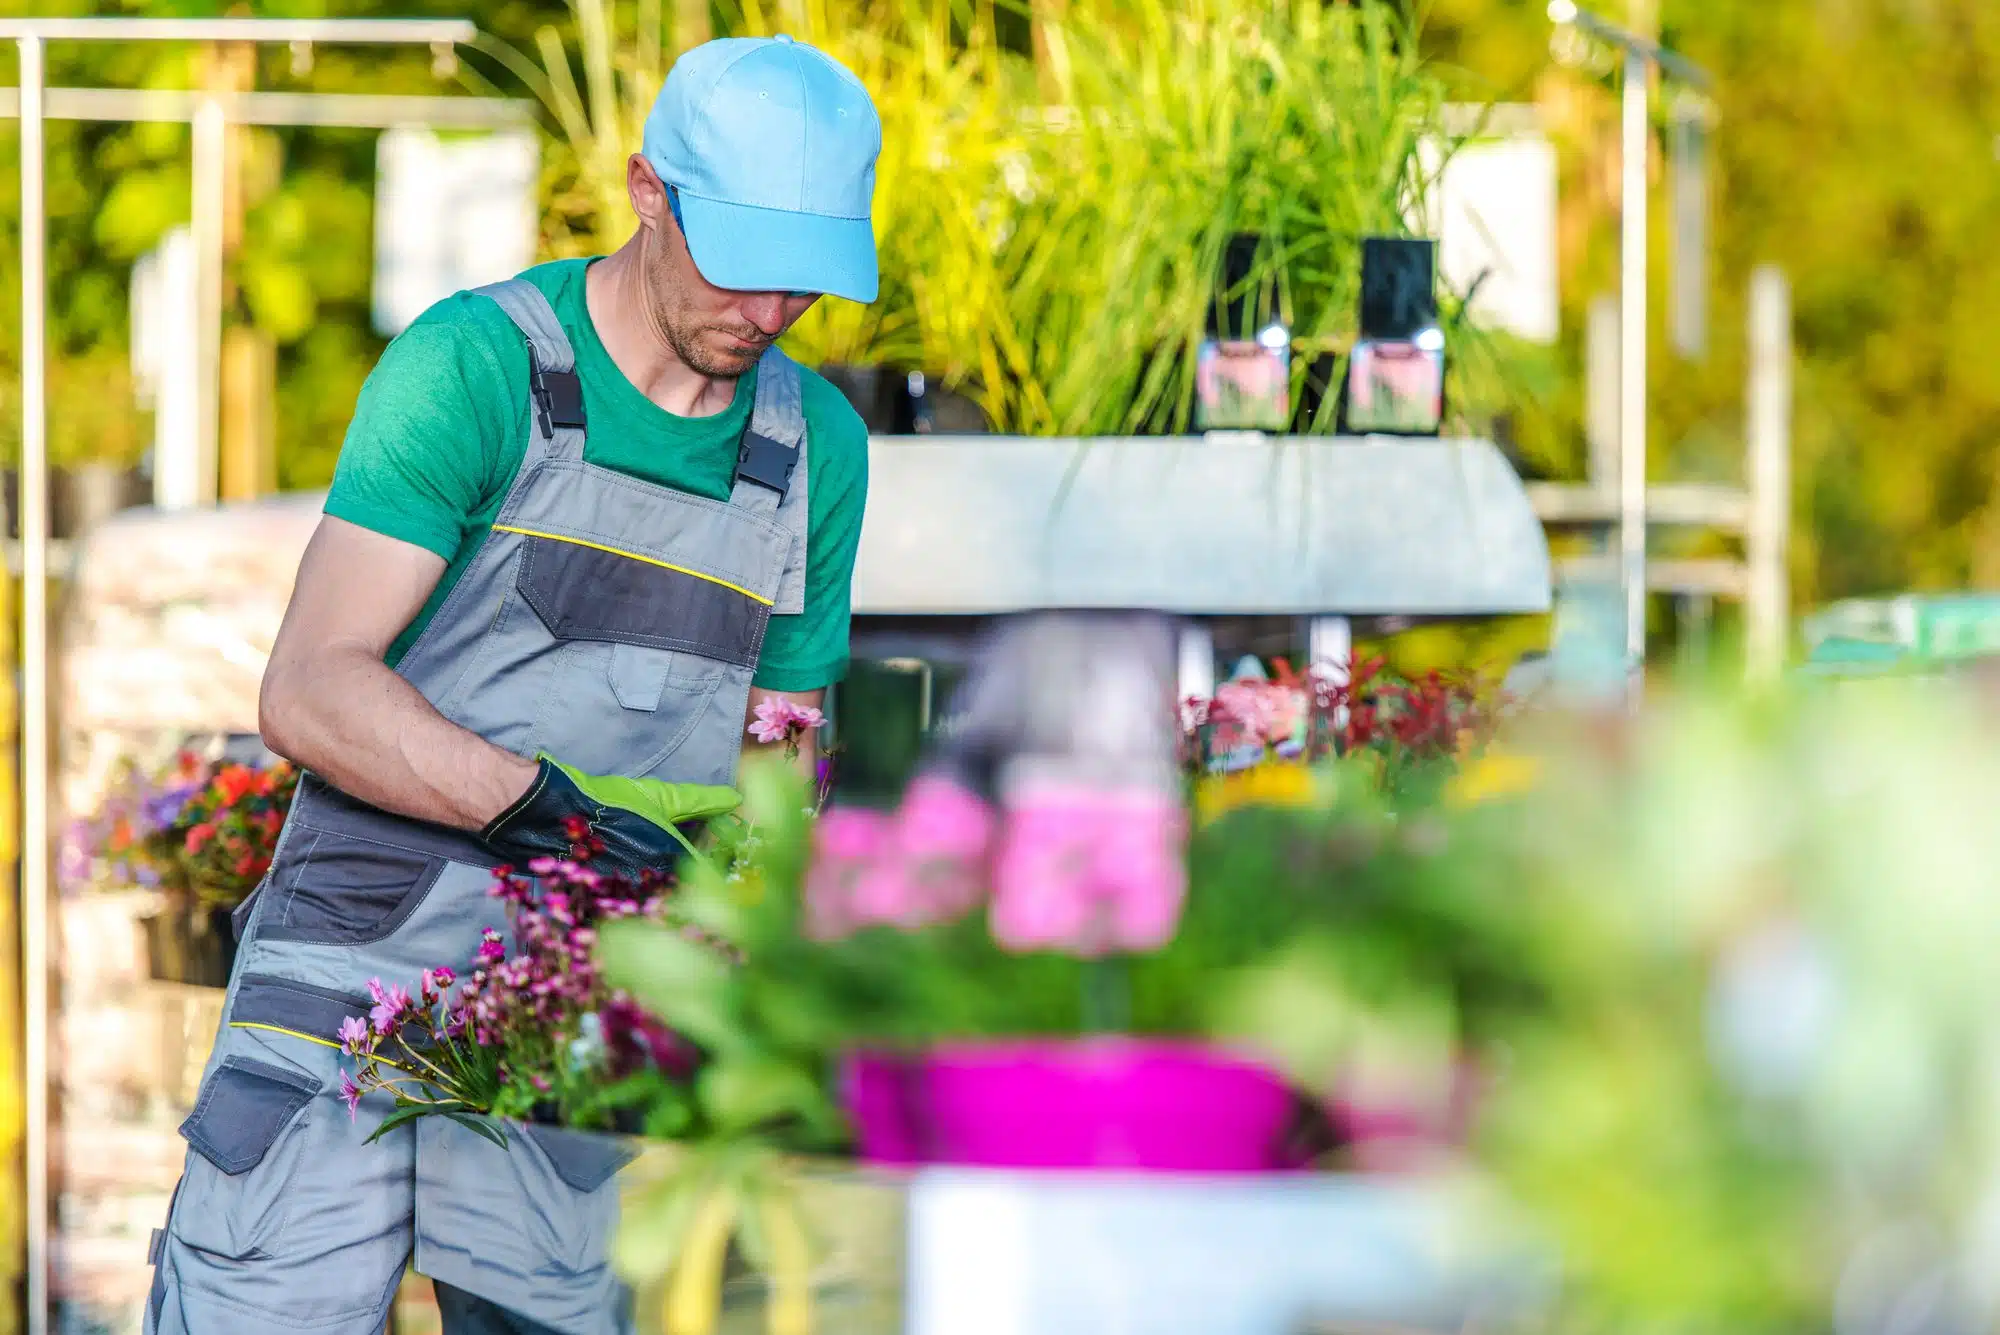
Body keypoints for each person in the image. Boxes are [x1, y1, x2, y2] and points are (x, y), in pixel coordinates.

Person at [143, 34, 881, 1335]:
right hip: (348, 974)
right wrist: (550, 810)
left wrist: (763, 917)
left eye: (801, 282)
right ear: (650, 190)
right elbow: (311, 688)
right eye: (742, 262)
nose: (767, 313)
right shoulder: (477, 367)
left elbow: (784, 747)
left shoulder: (814, 449)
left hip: (583, 1006)